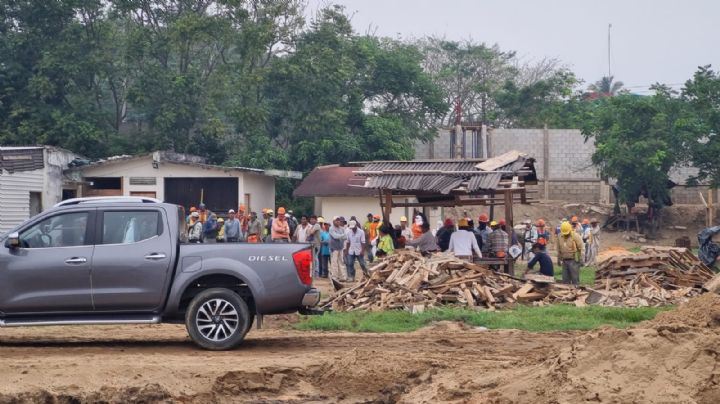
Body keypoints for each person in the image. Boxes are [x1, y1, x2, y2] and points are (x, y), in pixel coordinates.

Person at [557, 221, 584, 285]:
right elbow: (558, 249)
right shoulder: (559, 236)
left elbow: (581, 248)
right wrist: (559, 259)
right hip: (564, 260)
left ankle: (576, 290)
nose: (565, 234)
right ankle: (567, 292)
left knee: (575, 278)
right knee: (565, 278)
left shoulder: (575, 236)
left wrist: (581, 259)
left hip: (574, 260)